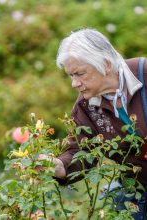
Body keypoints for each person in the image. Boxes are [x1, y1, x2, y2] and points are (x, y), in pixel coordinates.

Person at [52, 28, 147, 219]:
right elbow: (80, 150)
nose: (74, 83)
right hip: (139, 191)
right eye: (71, 75)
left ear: (106, 64)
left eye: (80, 73)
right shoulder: (85, 106)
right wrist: (59, 166)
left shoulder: (144, 73)